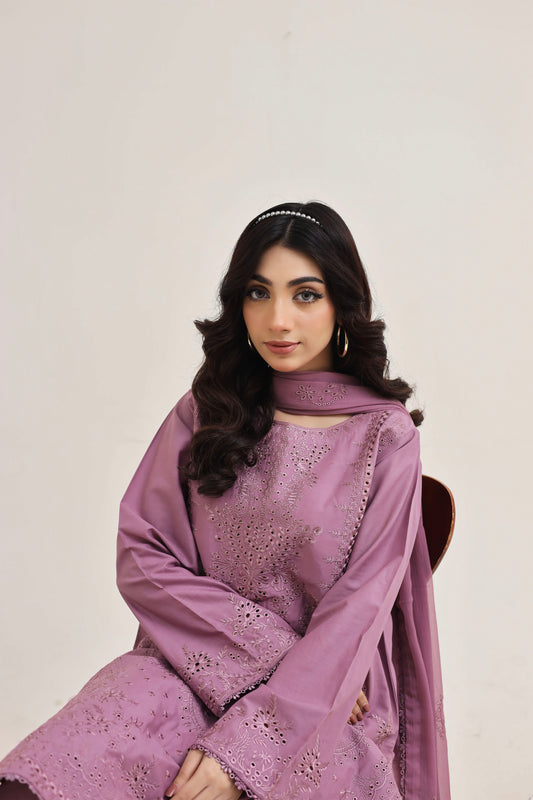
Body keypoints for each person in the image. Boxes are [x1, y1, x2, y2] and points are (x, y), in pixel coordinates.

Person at [0, 201, 450, 800]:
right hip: (184, 664)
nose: (278, 320)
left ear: (342, 303)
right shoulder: (207, 411)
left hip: (325, 697)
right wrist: (268, 650)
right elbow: (143, 557)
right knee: (47, 775)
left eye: (305, 295)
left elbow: (360, 606)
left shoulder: (383, 437)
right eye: (259, 293)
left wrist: (246, 752)